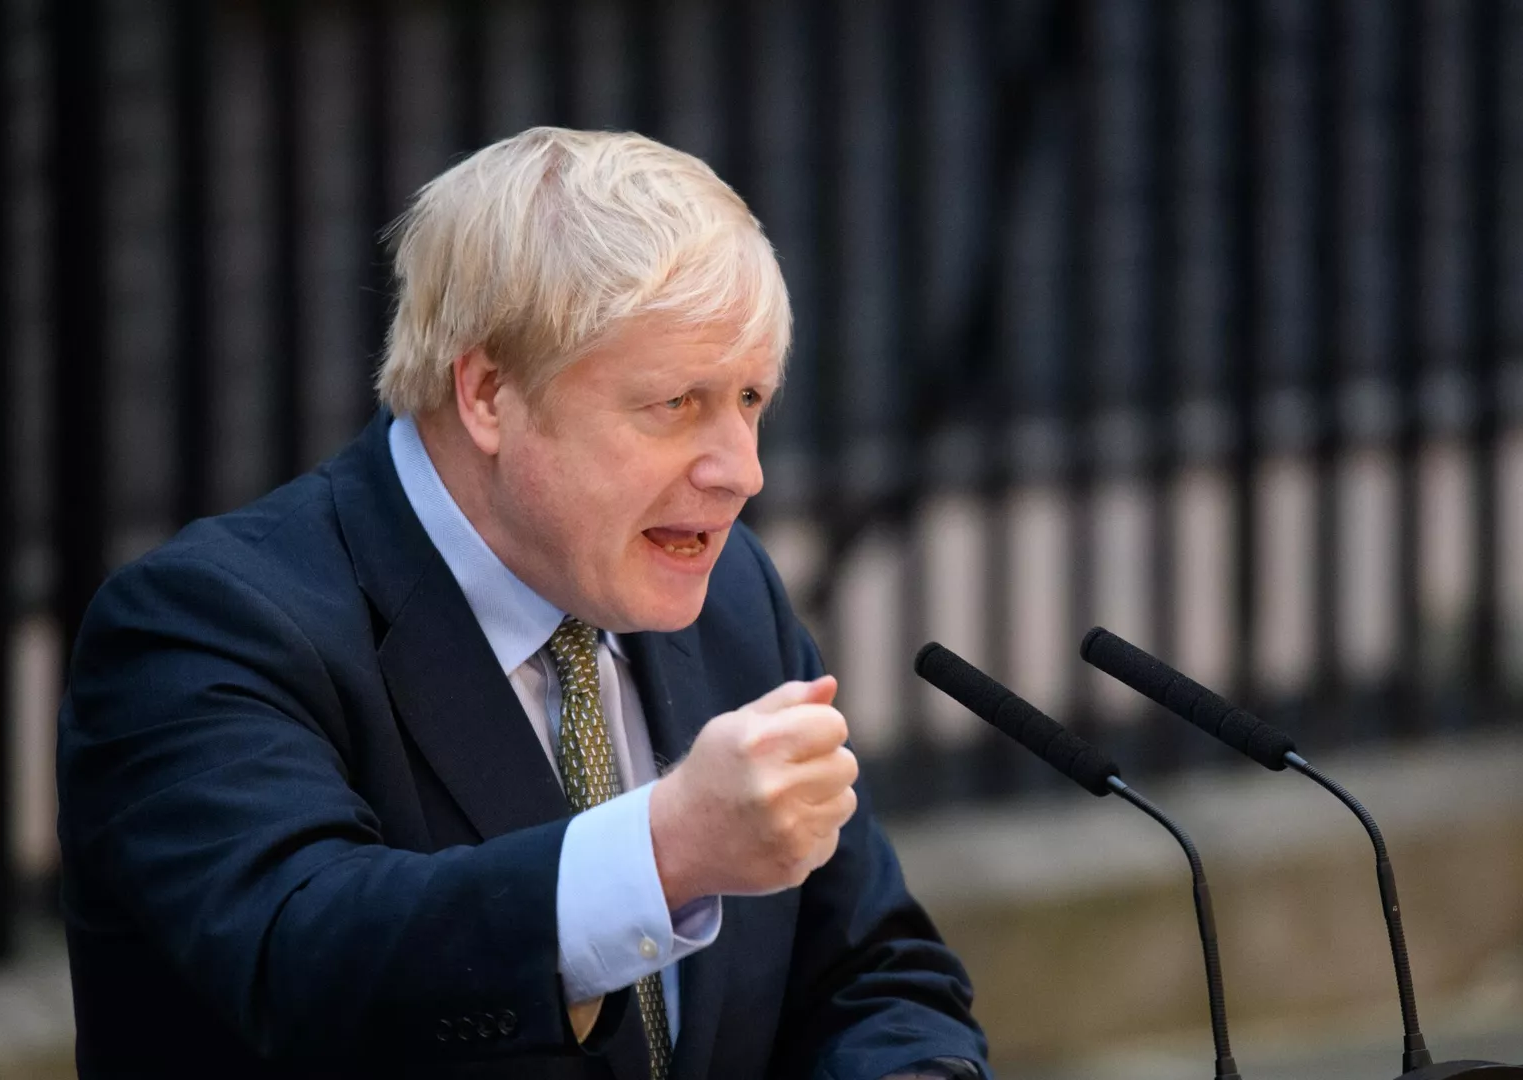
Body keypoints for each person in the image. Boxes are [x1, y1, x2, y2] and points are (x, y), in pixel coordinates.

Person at [56, 127, 989, 1080]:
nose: (741, 472)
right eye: (676, 404)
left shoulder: (726, 589)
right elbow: (302, 966)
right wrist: (665, 852)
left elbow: (874, 973)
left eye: (751, 398)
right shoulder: (204, 625)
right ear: (490, 393)